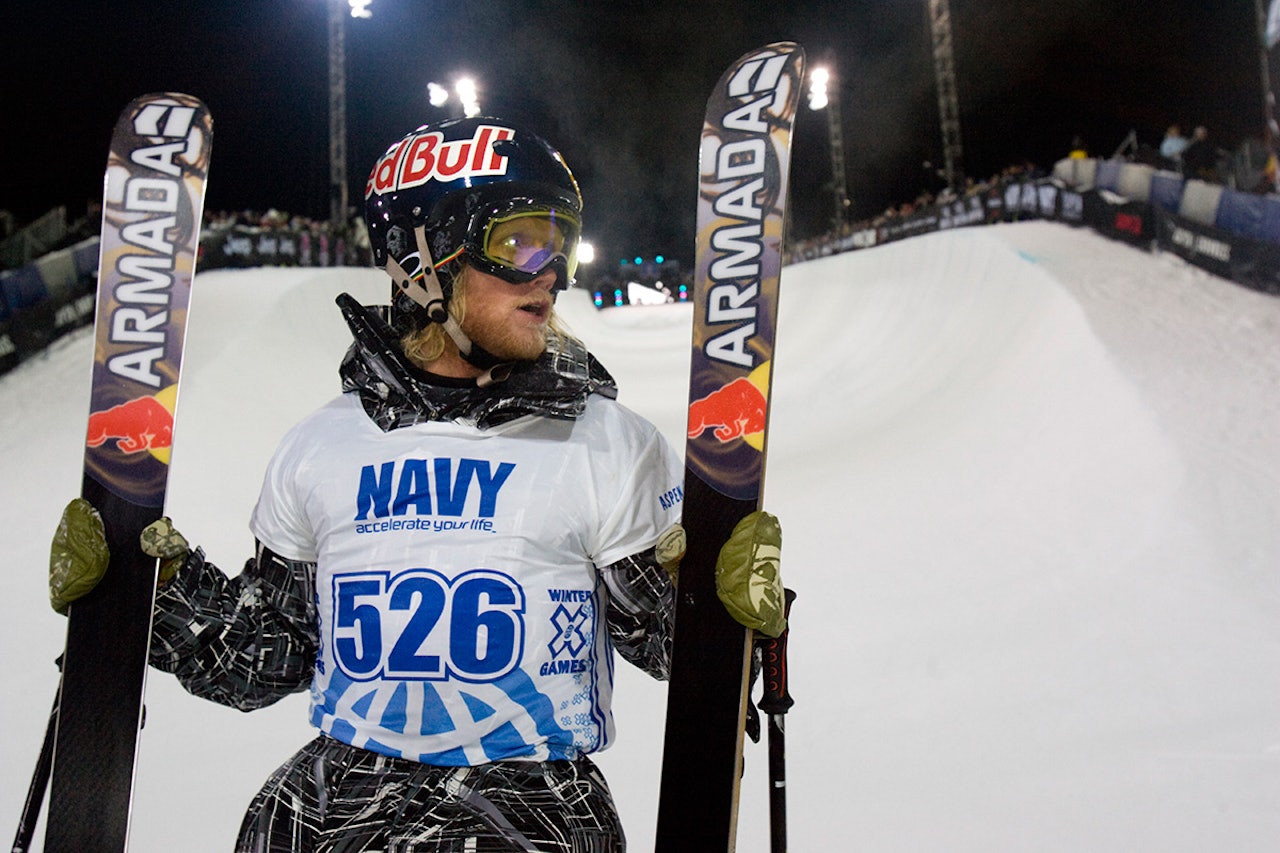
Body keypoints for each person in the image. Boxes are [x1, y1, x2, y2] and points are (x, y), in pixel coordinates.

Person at [49, 116, 786, 852]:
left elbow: (666, 642)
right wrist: (156, 585)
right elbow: (271, 651)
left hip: (525, 808)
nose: (550, 271)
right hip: (335, 805)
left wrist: (723, 605)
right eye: (519, 241)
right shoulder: (321, 448)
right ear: (423, 257)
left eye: (557, 244)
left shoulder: (604, 442)